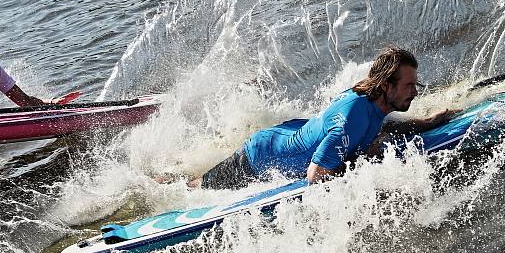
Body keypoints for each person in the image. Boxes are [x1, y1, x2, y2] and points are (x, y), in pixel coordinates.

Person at [192, 47, 458, 189]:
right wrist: (362, 163)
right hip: (257, 159)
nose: (416, 91)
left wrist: (426, 123)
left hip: (287, 135)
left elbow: (381, 128)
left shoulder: (373, 104)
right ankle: (162, 186)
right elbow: (316, 177)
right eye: (410, 85)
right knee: (197, 188)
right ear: (387, 86)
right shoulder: (353, 117)